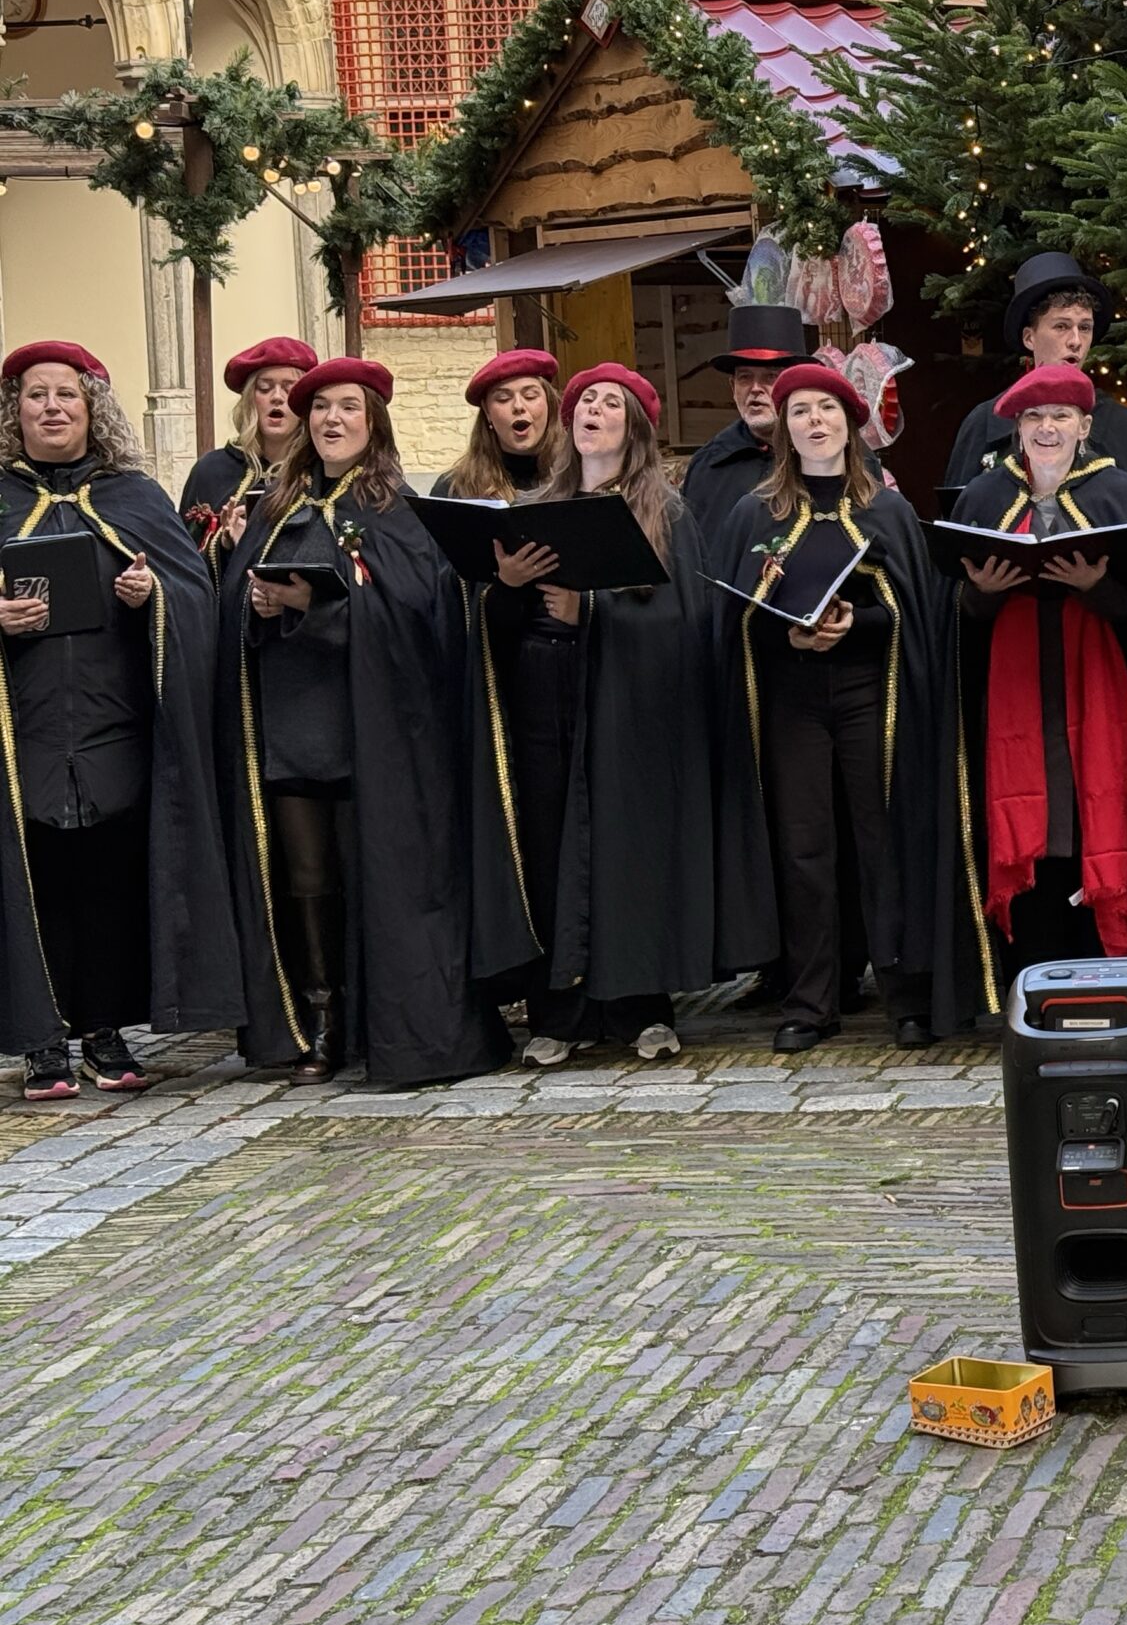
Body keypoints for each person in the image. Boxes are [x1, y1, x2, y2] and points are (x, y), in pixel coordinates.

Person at [217, 358, 506, 1086]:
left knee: (375, 873)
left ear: (372, 421)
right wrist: (253, 608)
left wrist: (315, 607)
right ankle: (323, 1019)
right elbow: (229, 609)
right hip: (289, 724)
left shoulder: (399, 511)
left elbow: (420, 617)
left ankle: (392, 1020)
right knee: (307, 877)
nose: (330, 420)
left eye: (347, 408)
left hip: (377, 732)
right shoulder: (276, 506)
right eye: (320, 410)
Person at [467, 363, 754, 1066]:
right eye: (585, 400)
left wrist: (590, 608)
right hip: (547, 704)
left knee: (631, 853)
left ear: (635, 425)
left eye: (609, 403)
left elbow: (687, 623)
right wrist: (505, 587)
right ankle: (559, 1013)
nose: (593, 409)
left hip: (634, 717)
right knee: (553, 851)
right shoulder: (537, 501)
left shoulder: (666, 512)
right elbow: (496, 622)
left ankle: (639, 1008)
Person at [935, 363, 1127, 1032]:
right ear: (1015, 431)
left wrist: (1097, 585)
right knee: (1034, 818)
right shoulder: (983, 497)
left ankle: (1110, 972)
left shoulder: (1119, 492)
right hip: (1013, 689)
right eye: (1034, 419)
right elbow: (957, 618)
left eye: (1060, 417)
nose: (1047, 429)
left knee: (1096, 808)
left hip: (1100, 689)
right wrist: (983, 589)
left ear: (1085, 427)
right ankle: (1029, 970)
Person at [0, 342, 242, 1099]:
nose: (51, 407)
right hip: (25, 728)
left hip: (114, 724)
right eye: (35, 395)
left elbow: (192, 595)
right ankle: (41, 1041)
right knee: (39, 878)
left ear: (91, 407)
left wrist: (152, 596)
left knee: (107, 879)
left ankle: (103, 1031)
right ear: (15, 412)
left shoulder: (134, 495)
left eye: (65, 395)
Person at [713, 362, 942, 1053]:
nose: (815, 421)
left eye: (828, 408)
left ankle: (907, 994)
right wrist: (782, 628)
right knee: (804, 847)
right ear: (784, 428)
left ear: (851, 422)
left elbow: (912, 610)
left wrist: (858, 624)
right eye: (801, 411)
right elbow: (729, 616)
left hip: (872, 695)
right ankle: (812, 1000)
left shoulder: (887, 510)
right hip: (790, 699)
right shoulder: (756, 511)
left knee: (881, 840)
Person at [942, 253, 1127, 504]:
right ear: (1029, 338)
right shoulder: (984, 424)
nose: (1075, 341)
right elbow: (957, 526)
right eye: (1061, 326)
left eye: (1084, 328)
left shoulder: (1124, 427)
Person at [181, 335, 316, 567]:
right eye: (264, 388)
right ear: (249, 400)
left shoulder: (319, 471)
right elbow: (183, 561)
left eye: (289, 388)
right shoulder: (211, 470)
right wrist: (223, 545)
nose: (277, 397)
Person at [681, 303, 807, 534]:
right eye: (745, 378)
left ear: (796, 384)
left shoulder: (838, 457)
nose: (755, 389)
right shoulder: (708, 465)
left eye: (770, 377)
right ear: (732, 387)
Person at [435, 348, 562, 500]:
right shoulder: (453, 488)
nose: (518, 406)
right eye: (503, 398)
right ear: (487, 411)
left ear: (549, 404)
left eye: (530, 396)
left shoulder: (581, 477)